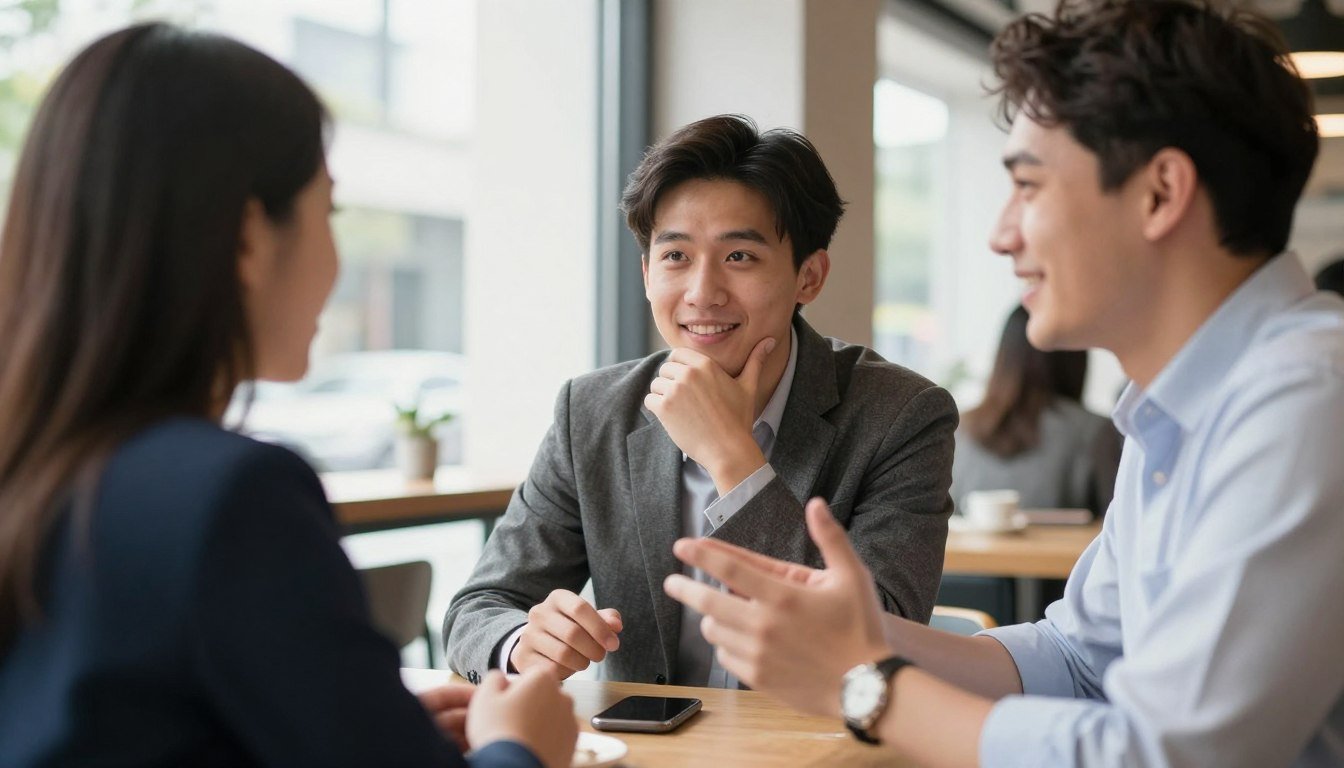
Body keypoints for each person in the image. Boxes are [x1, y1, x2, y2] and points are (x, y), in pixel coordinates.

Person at [664, 0, 1344, 765]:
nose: (1001, 234)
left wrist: (870, 686)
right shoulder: (1181, 414)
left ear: (1160, 193)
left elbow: (1170, 756)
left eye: (1029, 186)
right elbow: (1080, 659)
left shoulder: (1307, 398)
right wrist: (857, 634)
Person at [0, 23, 575, 768]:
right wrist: (522, 750)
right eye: (328, 211)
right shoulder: (231, 498)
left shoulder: (36, 469)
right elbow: (485, 608)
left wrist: (378, 730)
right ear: (248, 238)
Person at [445, 114, 957, 688]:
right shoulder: (591, 412)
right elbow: (478, 608)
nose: (702, 293)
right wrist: (522, 642)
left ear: (808, 277)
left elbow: (879, 639)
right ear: (645, 274)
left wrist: (733, 459)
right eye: (675, 256)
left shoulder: (902, 415)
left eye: (739, 257)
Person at [952, 304, 1120, 517]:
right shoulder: (1097, 430)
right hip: (1068, 552)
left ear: (1004, 355)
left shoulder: (959, 428)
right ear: (1075, 358)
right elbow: (1117, 526)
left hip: (964, 551)